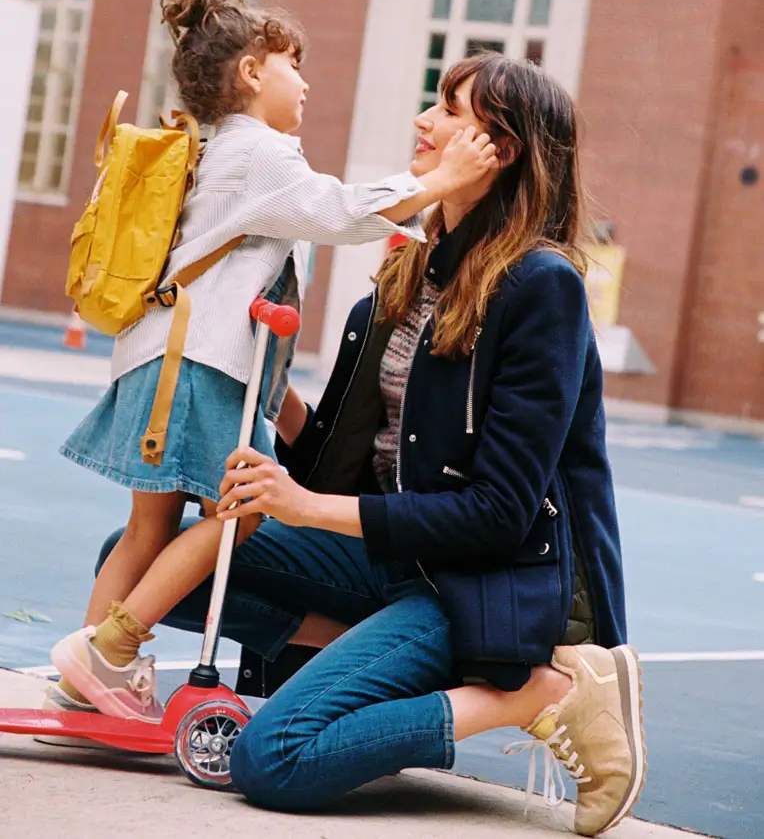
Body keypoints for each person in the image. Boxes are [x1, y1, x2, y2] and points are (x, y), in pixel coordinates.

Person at [95, 53, 645, 836]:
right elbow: (333, 461)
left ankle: (539, 693)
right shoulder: (409, 278)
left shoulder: (540, 288)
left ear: (504, 149)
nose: (424, 123)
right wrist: (254, 390)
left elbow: (497, 514)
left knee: (274, 759)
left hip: (477, 578)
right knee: (144, 561)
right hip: (389, 562)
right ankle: (403, 662)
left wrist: (306, 508)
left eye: (450, 111)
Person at [48, 0, 498, 724]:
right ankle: (115, 648)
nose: (306, 82)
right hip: (202, 365)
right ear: (254, 72)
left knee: (149, 525)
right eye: (295, 66)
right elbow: (343, 210)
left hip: (160, 355)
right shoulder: (260, 153)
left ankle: (84, 671)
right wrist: (444, 179)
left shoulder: (215, 149)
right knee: (241, 514)